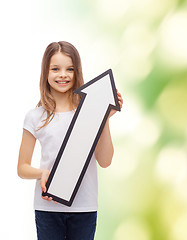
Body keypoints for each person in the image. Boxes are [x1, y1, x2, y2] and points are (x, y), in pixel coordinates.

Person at [17, 41, 123, 240]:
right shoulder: (35, 116)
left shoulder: (88, 112)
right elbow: (22, 168)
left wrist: (104, 117)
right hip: (47, 208)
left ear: (77, 72)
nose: (63, 75)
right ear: (45, 73)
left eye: (70, 69)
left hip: (84, 207)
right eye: (55, 69)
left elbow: (105, 161)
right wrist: (43, 173)